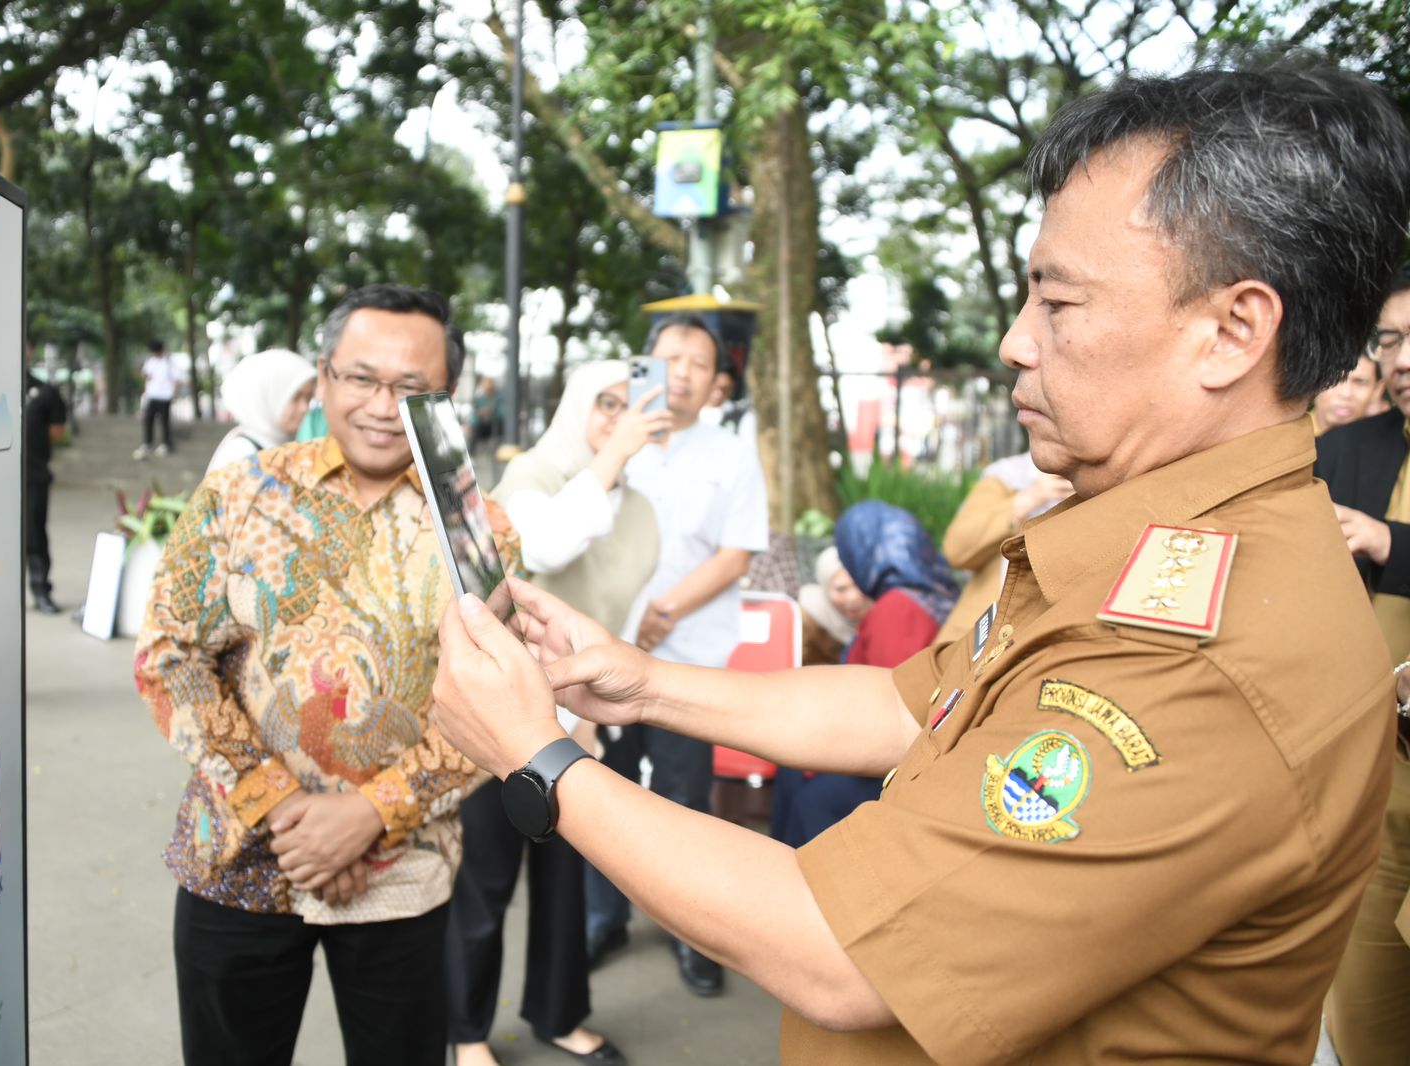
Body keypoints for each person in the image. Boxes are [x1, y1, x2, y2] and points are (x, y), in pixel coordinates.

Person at [429, 62, 1409, 1063]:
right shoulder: (1139, 544)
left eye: (1057, 302)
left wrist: (537, 756)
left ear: (1231, 331)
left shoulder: (1198, 652)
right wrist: (639, 684)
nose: (1014, 341)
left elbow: (835, 950)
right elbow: (908, 707)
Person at [134, 284, 515, 1066]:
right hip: (238, 858)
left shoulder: (479, 529)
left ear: (447, 395)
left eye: (412, 387)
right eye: (361, 378)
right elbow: (170, 656)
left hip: (402, 875)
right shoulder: (243, 492)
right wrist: (283, 812)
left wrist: (370, 815)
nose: (383, 405)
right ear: (324, 375)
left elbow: (503, 704)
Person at [447, 360, 669, 1066]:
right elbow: (541, 544)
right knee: (484, 882)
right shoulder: (529, 478)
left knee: (565, 878)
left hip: (578, 718)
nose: (617, 418)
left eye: (630, 405)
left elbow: (618, 612)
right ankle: (466, 1031)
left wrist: (592, 717)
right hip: (501, 713)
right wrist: (609, 458)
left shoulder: (638, 502)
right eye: (604, 403)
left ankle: (558, 1012)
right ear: (576, 406)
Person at [583, 313, 769, 997]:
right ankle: (602, 919)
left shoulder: (730, 450)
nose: (683, 371)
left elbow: (737, 552)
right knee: (604, 791)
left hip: (687, 656)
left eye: (698, 361)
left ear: (716, 377)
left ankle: (693, 937)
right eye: (670, 357)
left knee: (685, 799)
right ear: (646, 364)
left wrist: (663, 612)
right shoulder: (616, 436)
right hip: (602, 653)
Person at [1313, 263, 1410, 1063]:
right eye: (1391, 339)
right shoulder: (1344, 450)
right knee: (1364, 1017)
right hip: (1367, 794)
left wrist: (1388, 541)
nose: (1403, 359)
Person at [771, 502, 958, 847]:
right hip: (907, 746)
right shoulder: (934, 593)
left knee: (801, 788)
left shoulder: (896, 608)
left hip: (885, 755)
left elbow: (889, 698)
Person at [935, 455, 1073, 643]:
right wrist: (1028, 499)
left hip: (1048, 640)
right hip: (976, 636)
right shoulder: (1008, 476)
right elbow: (955, 549)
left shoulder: (1108, 486)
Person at [204, 348, 317, 475]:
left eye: (308, 398)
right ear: (268, 396)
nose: (304, 408)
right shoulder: (242, 454)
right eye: (296, 397)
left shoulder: (276, 445)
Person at [25, 339, 68, 615]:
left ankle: (41, 590)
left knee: (34, 534)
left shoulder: (44, 391)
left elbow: (57, 431)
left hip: (33, 475)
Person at [796, 546, 864, 666]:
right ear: (826, 586)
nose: (853, 597)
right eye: (841, 589)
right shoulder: (806, 619)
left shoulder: (881, 611)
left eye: (859, 586)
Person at [1312, 350, 1384, 436]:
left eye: (1360, 382)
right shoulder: (1293, 435)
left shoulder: (1387, 444)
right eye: (1335, 379)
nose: (1346, 394)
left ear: (1378, 390)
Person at [134, 338, 179, 459]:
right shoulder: (150, 362)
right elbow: (146, 375)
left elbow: (175, 379)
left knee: (164, 421)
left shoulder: (168, 363)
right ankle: (148, 443)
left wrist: (173, 394)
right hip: (152, 395)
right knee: (148, 419)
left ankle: (166, 444)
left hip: (165, 396)